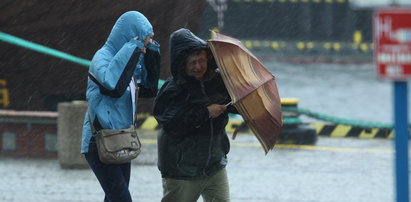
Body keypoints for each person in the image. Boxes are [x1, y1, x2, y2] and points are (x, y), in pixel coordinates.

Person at [80, 11, 160, 202]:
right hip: (100, 140)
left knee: (114, 198)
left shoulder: (131, 60)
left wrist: (151, 57)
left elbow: (148, 90)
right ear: (131, 37)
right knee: (121, 199)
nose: (147, 43)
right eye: (145, 39)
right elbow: (113, 86)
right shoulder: (102, 58)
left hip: (121, 138)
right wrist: (132, 48)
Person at [153, 28, 238, 202]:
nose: (198, 67)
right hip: (182, 170)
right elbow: (172, 124)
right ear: (182, 64)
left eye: (201, 61)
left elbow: (233, 104)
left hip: (215, 166)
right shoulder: (173, 90)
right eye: (193, 63)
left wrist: (242, 100)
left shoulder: (217, 82)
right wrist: (206, 112)